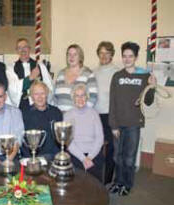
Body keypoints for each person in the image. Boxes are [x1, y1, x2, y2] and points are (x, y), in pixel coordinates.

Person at [109, 42, 156, 196]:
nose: (127, 59)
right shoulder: (117, 76)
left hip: (134, 124)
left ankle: (127, 184)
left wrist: (152, 87)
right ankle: (118, 182)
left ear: (136, 57)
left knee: (129, 158)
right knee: (117, 157)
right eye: (124, 56)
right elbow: (113, 101)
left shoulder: (144, 76)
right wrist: (113, 125)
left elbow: (148, 101)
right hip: (118, 124)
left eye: (130, 56)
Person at [64, 83, 104, 182]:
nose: (80, 98)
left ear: (87, 97)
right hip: (76, 154)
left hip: (93, 153)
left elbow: (100, 138)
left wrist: (90, 157)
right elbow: (68, 142)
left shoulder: (94, 113)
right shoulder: (68, 115)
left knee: (95, 183)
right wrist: (83, 158)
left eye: (83, 95)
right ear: (73, 98)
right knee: (77, 183)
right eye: (77, 96)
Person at [93, 41, 119, 185]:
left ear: (111, 54)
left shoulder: (117, 72)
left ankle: (107, 180)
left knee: (110, 149)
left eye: (107, 53)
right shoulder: (93, 71)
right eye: (101, 53)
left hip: (110, 115)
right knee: (96, 147)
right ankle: (95, 176)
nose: (103, 56)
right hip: (95, 115)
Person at [6, 38, 54, 111]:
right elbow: (12, 88)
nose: (23, 50)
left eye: (25, 47)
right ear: (16, 50)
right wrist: (30, 78)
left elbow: (49, 87)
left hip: (38, 107)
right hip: (21, 107)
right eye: (19, 48)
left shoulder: (40, 66)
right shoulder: (11, 68)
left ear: (29, 49)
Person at [21, 81, 62, 161]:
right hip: (32, 157)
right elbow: (22, 140)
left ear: (47, 94)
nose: (40, 97)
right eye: (36, 94)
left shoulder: (56, 112)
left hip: (53, 157)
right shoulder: (24, 113)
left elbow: (60, 139)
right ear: (32, 96)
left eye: (42, 93)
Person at [54, 44, 98, 112]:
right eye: (69, 54)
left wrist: (81, 112)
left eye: (75, 55)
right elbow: (55, 98)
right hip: (61, 118)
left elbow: (93, 98)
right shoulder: (61, 74)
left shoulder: (88, 74)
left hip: (80, 117)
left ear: (80, 57)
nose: (71, 57)